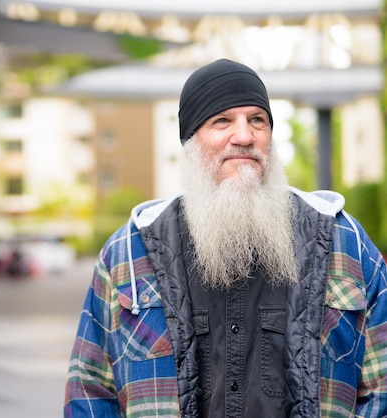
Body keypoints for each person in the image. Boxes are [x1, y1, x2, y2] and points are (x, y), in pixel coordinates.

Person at [64, 58, 387, 417]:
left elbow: (381, 386)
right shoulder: (126, 252)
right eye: (222, 121)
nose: (245, 136)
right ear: (190, 142)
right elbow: (91, 389)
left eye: (257, 120)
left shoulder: (345, 241)